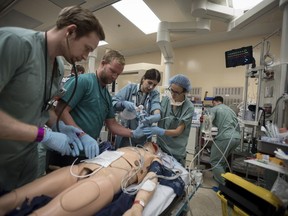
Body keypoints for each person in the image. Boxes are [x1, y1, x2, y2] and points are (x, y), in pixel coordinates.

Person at [0, 5, 105, 193]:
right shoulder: (15, 43)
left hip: (26, 161)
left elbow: (45, 107)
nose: (85, 57)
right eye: (87, 48)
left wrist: (63, 127)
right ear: (71, 31)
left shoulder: (57, 64)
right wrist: (44, 135)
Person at [0, 142, 185, 216]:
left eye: (154, 145)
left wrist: (138, 206)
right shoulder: (124, 146)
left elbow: (152, 179)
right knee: (14, 198)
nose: (150, 144)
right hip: (78, 170)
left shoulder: (154, 158)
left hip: (105, 181)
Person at [54, 49, 146, 165]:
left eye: (118, 74)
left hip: (86, 152)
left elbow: (112, 125)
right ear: (102, 63)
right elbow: (60, 110)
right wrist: (81, 135)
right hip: (66, 149)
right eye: (112, 71)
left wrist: (133, 133)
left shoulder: (107, 96)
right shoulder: (84, 82)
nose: (114, 77)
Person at [144, 74, 194, 166]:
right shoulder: (166, 100)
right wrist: (150, 117)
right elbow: (158, 113)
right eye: (171, 90)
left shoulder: (189, 107)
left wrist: (159, 131)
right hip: (161, 147)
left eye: (177, 92)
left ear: (185, 92)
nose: (173, 94)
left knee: (176, 174)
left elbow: (178, 131)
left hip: (176, 150)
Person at [112, 69, 161, 148]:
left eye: (154, 85)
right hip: (126, 134)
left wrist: (156, 115)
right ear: (143, 79)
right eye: (149, 83)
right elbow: (113, 102)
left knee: (141, 158)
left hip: (143, 136)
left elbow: (156, 106)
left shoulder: (154, 94)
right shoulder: (130, 88)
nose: (151, 87)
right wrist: (123, 104)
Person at [209, 96, 240, 185]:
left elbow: (208, 122)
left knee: (215, 161)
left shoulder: (215, 109)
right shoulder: (231, 110)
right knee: (222, 160)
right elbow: (237, 125)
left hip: (225, 138)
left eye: (213, 103)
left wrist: (206, 131)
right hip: (236, 138)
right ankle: (219, 177)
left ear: (214, 102)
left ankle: (225, 185)